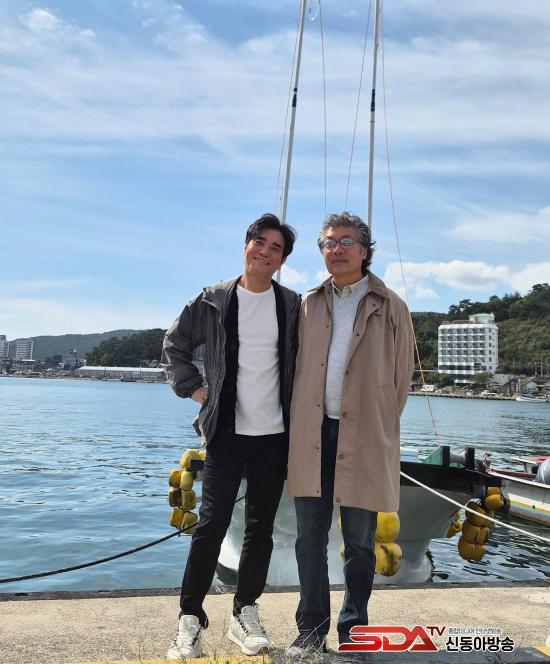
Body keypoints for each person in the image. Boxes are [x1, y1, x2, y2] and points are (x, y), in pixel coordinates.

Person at [162, 213, 300, 659]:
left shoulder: (292, 305)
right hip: (225, 432)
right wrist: (194, 388)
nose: (266, 252)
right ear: (245, 246)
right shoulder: (212, 300)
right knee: (210, 526)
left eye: (276, 248)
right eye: (260, 242)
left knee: (261, 530)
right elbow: (174, 345)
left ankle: (245, 612)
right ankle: (189, 619)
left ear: (282, 260)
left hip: (275, 436)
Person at [286, 211, 414, 656]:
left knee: (360, 541)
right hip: (312, 433)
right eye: (328, 242)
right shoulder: (308, 304)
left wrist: (377, 424)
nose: (335, 249)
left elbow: (401, 380)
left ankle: (354, 630)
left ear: (364, 251)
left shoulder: (391, 305)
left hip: (363, 436)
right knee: (309, 537)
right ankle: (311, 629)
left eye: (345, 241)